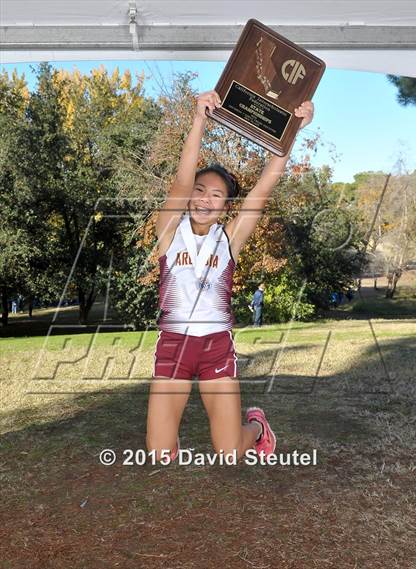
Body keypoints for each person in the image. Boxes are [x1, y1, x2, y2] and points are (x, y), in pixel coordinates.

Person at [146, 90, 314, 465]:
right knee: (158, 454)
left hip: (216, 348)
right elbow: (180, 179)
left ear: (226, 207)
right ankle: (166, 436)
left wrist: (294, 131)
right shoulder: (170, 232)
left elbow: (265, 185)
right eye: (200, 191)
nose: (205, 199)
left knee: (230, 454)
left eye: (217, 195)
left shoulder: (229, 239)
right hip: (174, 346)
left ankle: (257, 428)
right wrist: (198, 120)